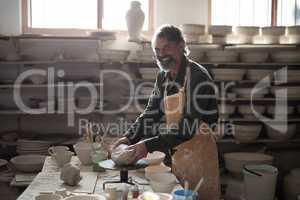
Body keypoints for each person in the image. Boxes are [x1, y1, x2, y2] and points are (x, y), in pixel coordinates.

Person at [111, 24, 220, 200]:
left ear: (181, 45)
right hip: (177, 150)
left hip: (200, 152)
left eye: (166, 48)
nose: (161, 54)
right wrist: (129, 137)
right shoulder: (163, 76)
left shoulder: (198, 76)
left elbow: (187, 127)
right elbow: (151, 113)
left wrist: (147, 145)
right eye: (157, 50)